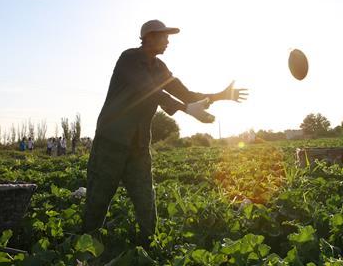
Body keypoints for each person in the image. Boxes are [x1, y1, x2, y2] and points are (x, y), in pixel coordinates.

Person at [83, 19, 248, 245]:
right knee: (98, 199)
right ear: (149, 37)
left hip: (138, 144)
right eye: (164, 36)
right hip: (112, 140)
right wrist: (187, 109)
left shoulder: (160, 68)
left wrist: (221, 95)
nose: (168, 41)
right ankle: (84, 249)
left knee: (145, 200)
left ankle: (148, 247)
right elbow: (149, 91)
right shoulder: (129, 59)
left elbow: (186, 94)